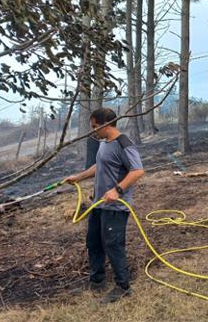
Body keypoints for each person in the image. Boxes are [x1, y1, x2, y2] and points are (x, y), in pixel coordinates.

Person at [65, 107, 144, 303]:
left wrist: (117, 190)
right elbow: (99, 165)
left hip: (115, 207)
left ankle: (123, 286)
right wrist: (79, 177)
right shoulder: (104, 143)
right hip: (98, 204)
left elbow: (137, 171)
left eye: (94, 127)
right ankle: (97, 281)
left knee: (113, 245)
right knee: (94, 242)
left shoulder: (123, 143)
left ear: (106, 124)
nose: (93, 131)